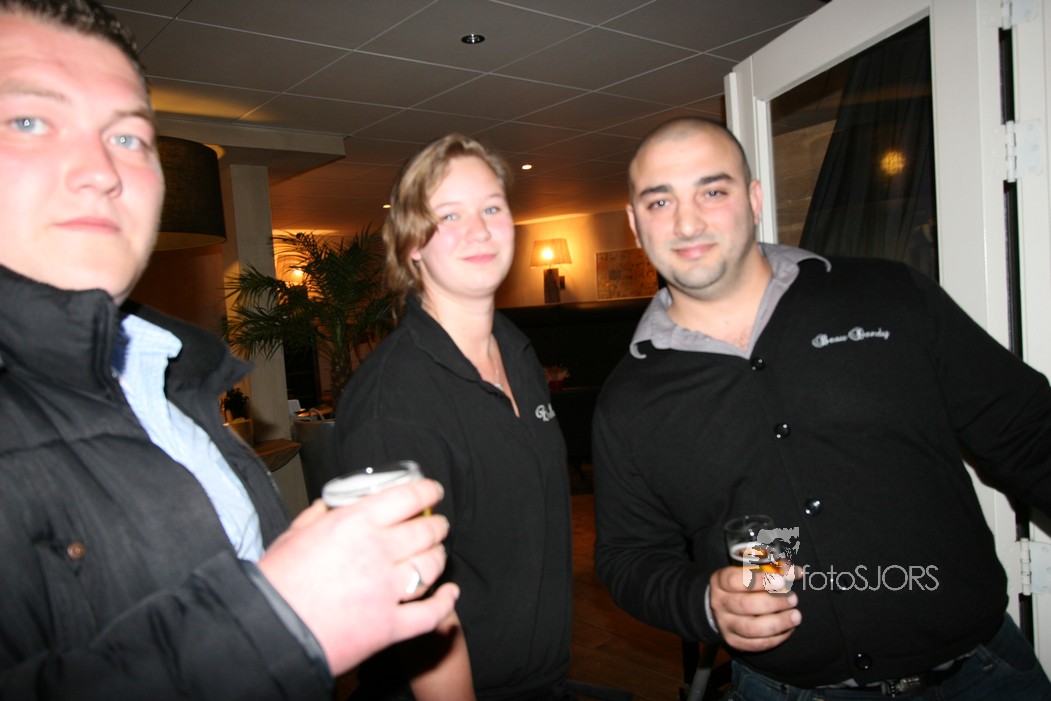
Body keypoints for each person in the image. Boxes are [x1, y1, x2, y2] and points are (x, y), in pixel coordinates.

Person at [0, 1, 458, 698]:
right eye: (29, 121)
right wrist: (278, 618)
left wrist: (315, 581)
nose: (102, 170)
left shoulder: (175, 386)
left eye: (128, 137)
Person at [592, 116, 1051, 699]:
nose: (687, 222)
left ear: (754, 199)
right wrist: (704, 602)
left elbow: (1028, 430)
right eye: (660, 202)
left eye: (713, 191)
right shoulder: (628, 401)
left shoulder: (888, 296)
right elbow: (630, 556)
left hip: (980, 677)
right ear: (635, 224)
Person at [336, 134, 573, 700]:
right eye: (449, 215)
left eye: (492, 208)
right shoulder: (392, 403)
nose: (479, 230)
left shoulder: (517, 353)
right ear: (411, 245)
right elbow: (411, 602)